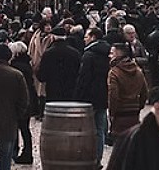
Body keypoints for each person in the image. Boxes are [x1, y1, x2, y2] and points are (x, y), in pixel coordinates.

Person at [74, 26, 111, 165]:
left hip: (89, 97)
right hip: (103, 95)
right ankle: (97, 159)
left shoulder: (89, 55)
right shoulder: (108, 53)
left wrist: (78, 97)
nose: (85, 39)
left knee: (87, 129)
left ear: (93, 37)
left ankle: (87, 157)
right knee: (100, 129)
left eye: (87, 36)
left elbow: (84, 78)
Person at [107, 43, 148, 141]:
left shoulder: (114, 72)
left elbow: (113, 95)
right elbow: (145, 92)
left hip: (120, 113)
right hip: (134, 113)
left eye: (112, 53)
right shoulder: (138, 71)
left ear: (118, 55)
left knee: (119, 143)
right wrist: (139, 106)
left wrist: (112, 113)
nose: (109, 56)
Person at [36, 26, 81, 103]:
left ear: (53, 37)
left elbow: (42, 76)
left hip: (52, 90)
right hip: (70, 89)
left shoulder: (48, 53)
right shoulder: (75, 53)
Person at [8, 41, 35, 165]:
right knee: (25, 128)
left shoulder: (15, 66)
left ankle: (15, 150)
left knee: (16, 127)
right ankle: (27, 152)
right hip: (28, 100)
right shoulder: (27, 64)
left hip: (17, 101)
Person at [27, 18, 54, 119]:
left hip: (46, 66)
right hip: (36, 65)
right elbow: (31, 50)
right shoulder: (35, 37)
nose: (48, 27)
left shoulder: (52, 38)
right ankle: (38, 111)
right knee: (37, 89)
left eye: (50, 25)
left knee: (44, 90)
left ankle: (43, 112)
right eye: (46, 25)